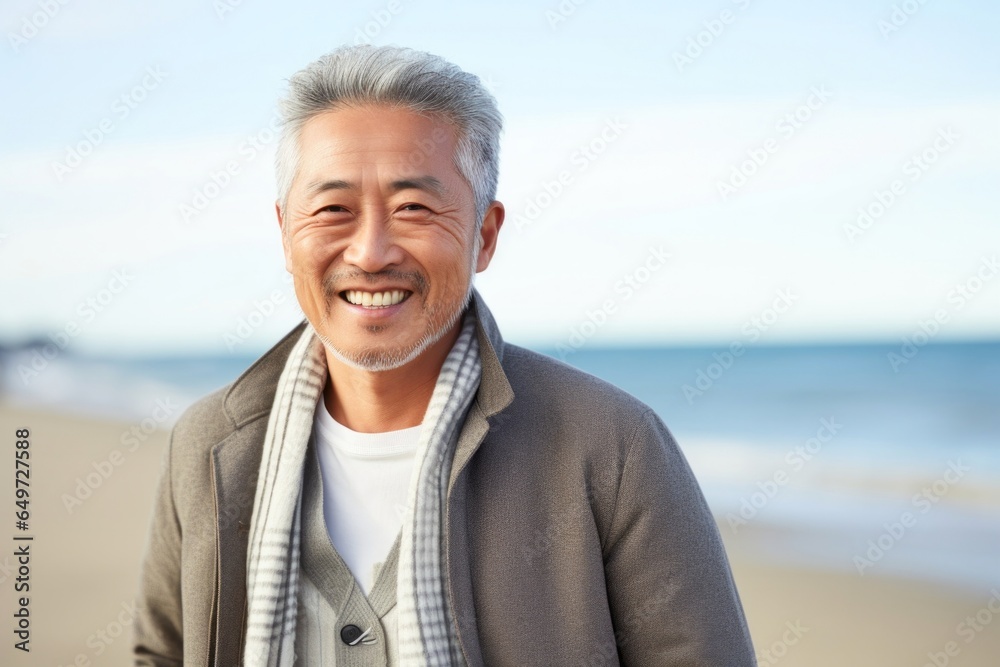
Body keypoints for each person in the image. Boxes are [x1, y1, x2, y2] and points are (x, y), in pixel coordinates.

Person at [132, 44, 756, 666]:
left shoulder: (611, 445)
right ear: (285, 235)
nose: (371, 253)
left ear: (484, 236)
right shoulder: (209, 444)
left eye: (413, 208)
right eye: (332, 210)